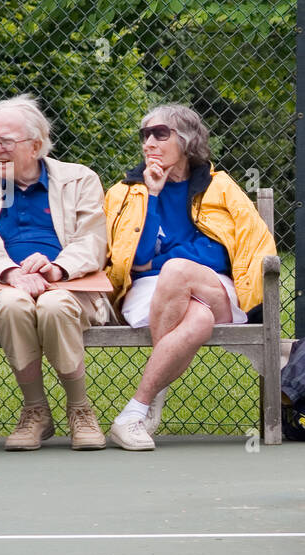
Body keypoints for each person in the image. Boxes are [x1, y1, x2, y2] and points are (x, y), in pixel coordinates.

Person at [104, 104, 277, 450]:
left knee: (176, 269)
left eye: (160, 133)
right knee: (197, 320)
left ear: (186, 140)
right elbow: (135, 259)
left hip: (215, 285)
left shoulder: (220, 186)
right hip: (150, 292)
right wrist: (152, 195)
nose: (149, 142)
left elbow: (228, 252)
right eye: (145, 135)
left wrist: (166, 258)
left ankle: (145, 403)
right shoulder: (125, 192)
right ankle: (135, 411)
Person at [0, 95, 113, 451]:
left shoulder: (79, 179)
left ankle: (79, 409)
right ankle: (36, 411)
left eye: (6, 142)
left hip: (72, 287)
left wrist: (56, 268)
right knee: (13, 305)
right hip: (1, 289)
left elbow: (92, 239)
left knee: (55, 306)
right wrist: (12, 273)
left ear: (36, 145)